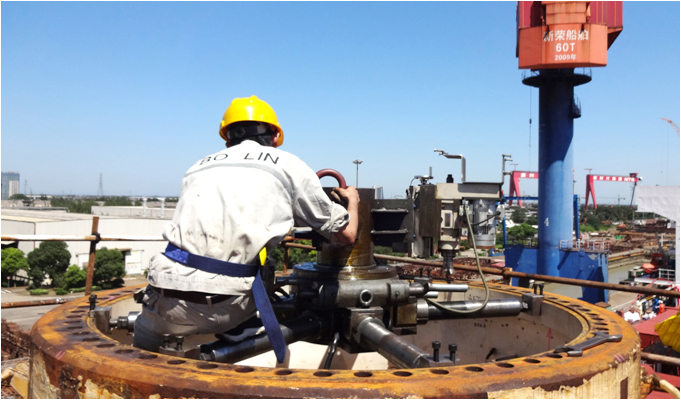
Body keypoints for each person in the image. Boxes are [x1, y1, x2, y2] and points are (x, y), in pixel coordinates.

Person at [132, 96, 359, 362]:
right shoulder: (287, 164)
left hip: (161, 298)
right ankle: (240, 325)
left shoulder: (198, 166)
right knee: (265, 261)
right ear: (275, 135)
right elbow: (346, 235)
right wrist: (353, 203)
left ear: (227, 139)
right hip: (225, 306)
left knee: (140, 351)